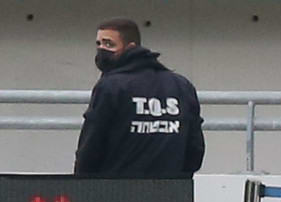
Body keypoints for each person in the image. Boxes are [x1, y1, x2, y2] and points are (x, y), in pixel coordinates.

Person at [73, 20, 205, 177]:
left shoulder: (111, 86)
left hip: (117, 191)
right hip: (172, 192)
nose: (102, 49)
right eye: (98, 43)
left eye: (109, 44)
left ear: (130, 47)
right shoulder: (181, 85)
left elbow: (91, 145)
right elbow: (195, 150)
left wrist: (83, 183)